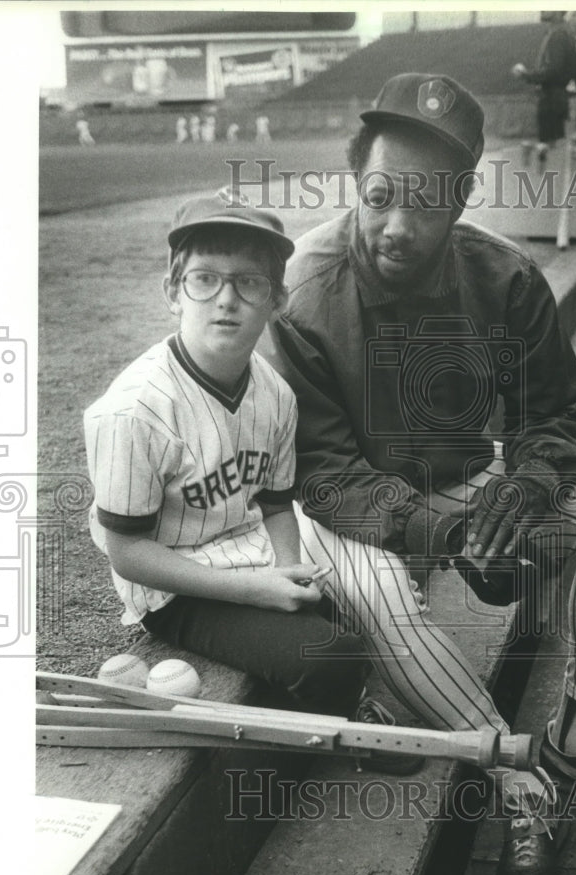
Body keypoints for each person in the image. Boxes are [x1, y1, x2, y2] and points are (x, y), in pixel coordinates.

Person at [257, 72, 576, 875]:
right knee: (384, 593)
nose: (396, 225)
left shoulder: (504, 275)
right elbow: (327, 475)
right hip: (350, 502)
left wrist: (527, 482)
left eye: (425, 203)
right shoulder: (302, 290)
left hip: (467, 474)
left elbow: (552, 411)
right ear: (357, 181)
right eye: (380, 197)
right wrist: (448, 536)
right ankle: (521, 786)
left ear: (459, 201)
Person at [83, 189, 396, 736]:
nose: (225, 299)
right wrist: (259, 590)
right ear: (173, 293)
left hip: (245, 549)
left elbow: (276, 501)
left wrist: (284, 570)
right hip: (172, 582)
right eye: (204, 278)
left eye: (249, 282)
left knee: (337, 608)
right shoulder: (133, 410)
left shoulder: (274, 392)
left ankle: (323, 708)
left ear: (276, 300)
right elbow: (128, 553)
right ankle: (325, 736)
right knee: (328, 654)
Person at [512, 11, 575, 162]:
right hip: (552, 97)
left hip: (552, 100)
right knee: (550, 150)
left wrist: (526, 75)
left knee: (550, 153)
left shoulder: (558, 35)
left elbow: (553, 70)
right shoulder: (556, 33)